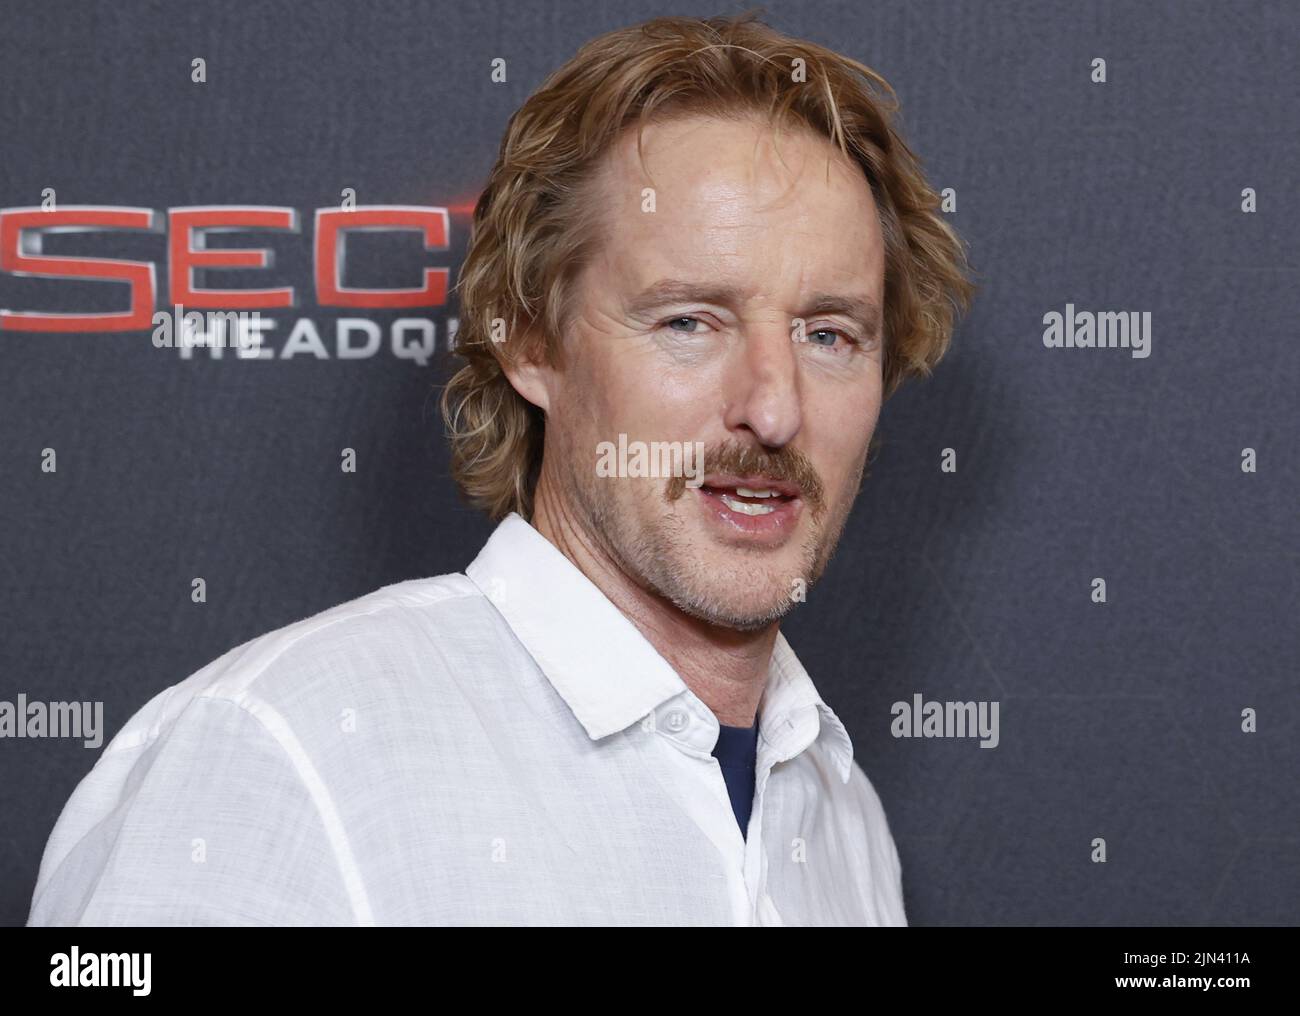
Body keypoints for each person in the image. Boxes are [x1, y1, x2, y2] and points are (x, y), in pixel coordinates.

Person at [28, 11, 974, 926]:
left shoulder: (836, 808)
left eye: (829, 334)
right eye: (688, 321)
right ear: (529, 341)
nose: (774, 408)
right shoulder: (280, 755)